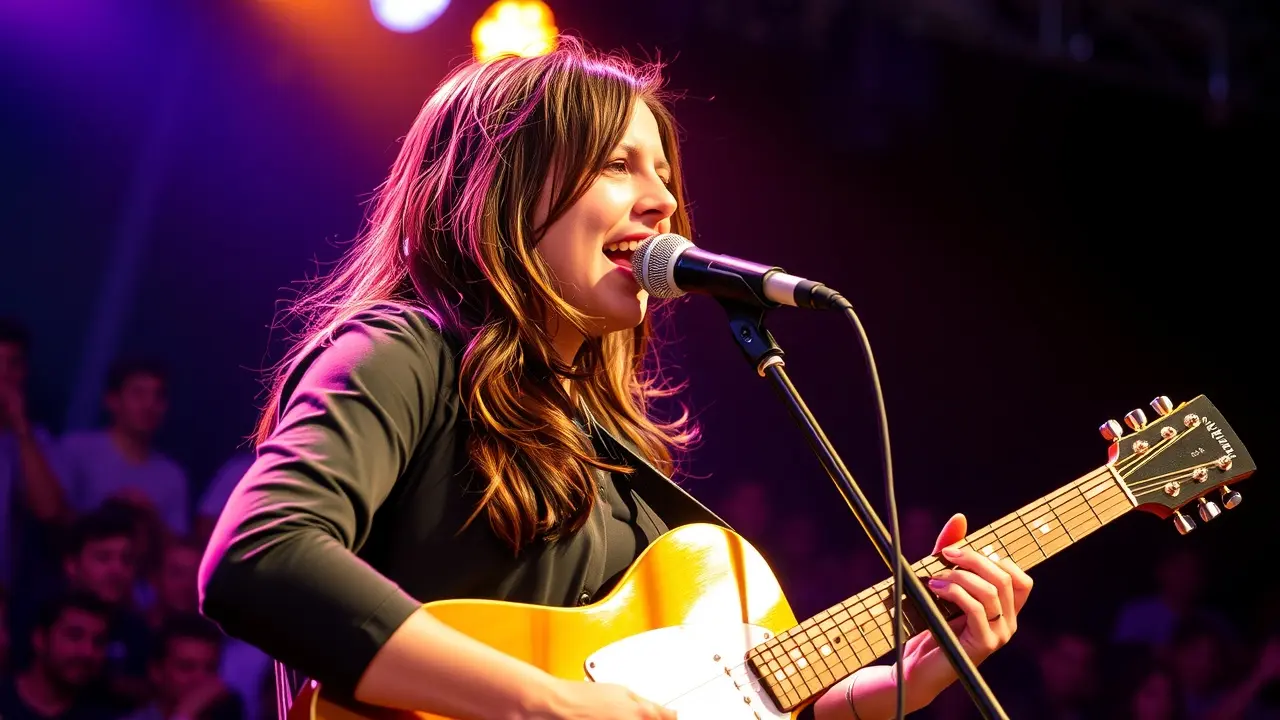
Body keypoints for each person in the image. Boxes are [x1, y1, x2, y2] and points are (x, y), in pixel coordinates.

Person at [198, 36, 1033, 720]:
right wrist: (540, 702)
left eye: (665, 174)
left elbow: (710, 704)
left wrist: (900, 685)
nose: (663, 201)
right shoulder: (404, 352)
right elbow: (262, 555)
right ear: (505, 191)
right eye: (619, 165)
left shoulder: (618, 468)